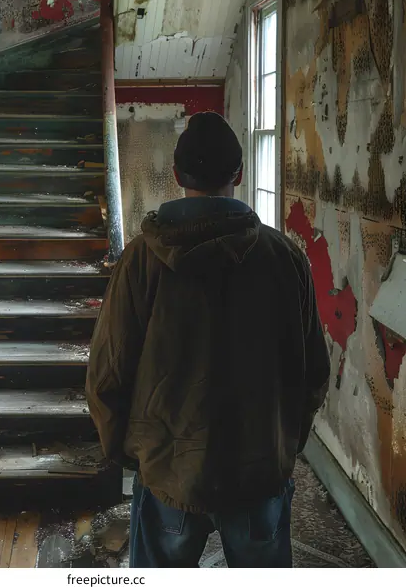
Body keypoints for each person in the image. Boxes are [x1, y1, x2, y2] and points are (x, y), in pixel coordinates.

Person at [86, 111, 330, 568]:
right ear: (239, 174)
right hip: (259, 472)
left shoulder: (141, 262)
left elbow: (107, 372)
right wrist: (283, 445)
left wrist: (132, 454)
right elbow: (314, 373)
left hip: (169, 474)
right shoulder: (286, 260)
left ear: (176, 175)